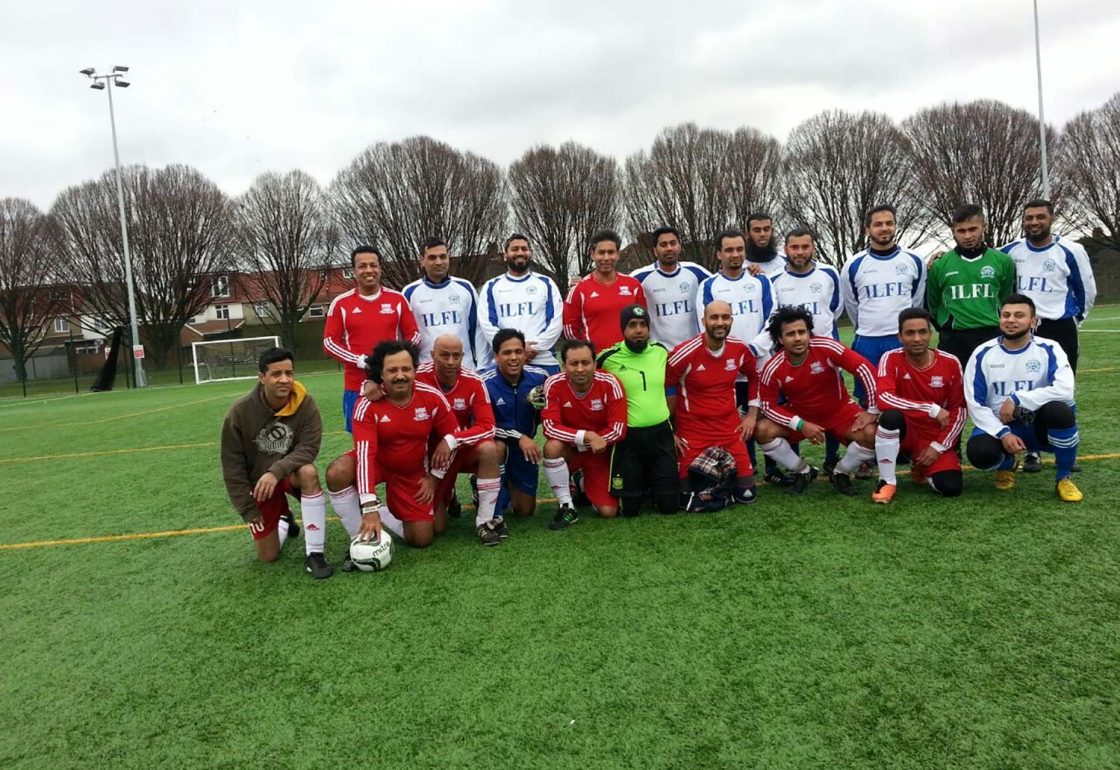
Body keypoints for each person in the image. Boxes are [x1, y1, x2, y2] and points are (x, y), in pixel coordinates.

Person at [328, 340, 461, 550]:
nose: (400, 375)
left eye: (406, 369)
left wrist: (435, 478)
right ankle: (361, 539)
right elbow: (365, 455)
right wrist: (368, 506)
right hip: (378, 464)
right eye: (392, 370)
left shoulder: (432, 398)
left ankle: (385, 513)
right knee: (338, 472)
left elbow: (455, 437)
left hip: (412, 471)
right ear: (380, 373)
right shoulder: (367, 404)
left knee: (422, 539)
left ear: (415, 370)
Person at [999, 199, 1096, 474]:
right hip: (1023, 328)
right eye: (1028, 218)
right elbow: (987, 259)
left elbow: (1086, 289)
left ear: (1051, 218)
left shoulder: (1071, 250)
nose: (1034, 223)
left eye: (1040, 217)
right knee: (1025, 385)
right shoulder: (1011, 251)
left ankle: (1068, 450)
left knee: (1062, 389)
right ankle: (1032, 452)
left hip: (1059, 327)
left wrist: (1075, 320)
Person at [220, 347, 333, 579]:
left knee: (308, 472)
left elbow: (309, 449)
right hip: (259, 486)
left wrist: (276, 471)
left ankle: (315, 554)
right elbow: (233, 468)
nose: (284, 379)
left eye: (289, 373)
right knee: (268, 556)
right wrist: (247, 508)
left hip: (289, 475)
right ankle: (284, 519)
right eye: (276, 374)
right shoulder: (239, 413)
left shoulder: (305, 404)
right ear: (262, 378)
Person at [964, 294, 1083, 502]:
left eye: (1019, 315)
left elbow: (1065, 389)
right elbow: (975, 403)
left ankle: (1063, 476)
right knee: (979, 454)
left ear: (1033, 321)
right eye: (1006, 315)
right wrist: (1003, 434)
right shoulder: (982, 353)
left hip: (1038, 425)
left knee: (1060, 410)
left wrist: (1018, 399)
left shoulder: (1049, 348)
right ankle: (1007, 464)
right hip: (1000, 426)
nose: (1011, 320)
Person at [755, 306, 879, 495]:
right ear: (780, 339)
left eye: (802, 332)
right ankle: (803, 471)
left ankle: (841, 472)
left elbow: (865, 369)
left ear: (809, 333)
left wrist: (872, 410)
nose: (797, 338)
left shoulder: (826, 347)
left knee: (873, 434)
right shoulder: (773, 367)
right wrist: (800, 424)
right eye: (790, 334)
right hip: (802, 415)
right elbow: (767, 406)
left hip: (840, 412)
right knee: (762, 430)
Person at [750, 227, 845, 473]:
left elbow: (836, 309)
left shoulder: (829, 273)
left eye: (805, 246)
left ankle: (831, 457)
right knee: (788, 408)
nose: (800, 252)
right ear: (786, 250)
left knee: (833, 405)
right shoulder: (774, 281)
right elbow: (773, 320)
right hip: (789, 358)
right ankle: (796, 465)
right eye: (795, 247)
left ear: (813, 247)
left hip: (826, 356)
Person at [697, 228, 777, 483]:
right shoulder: (709, 286)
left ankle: (774, 470)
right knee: (735, 419)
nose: (735, 254)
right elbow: (708, 327)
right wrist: (732, 354)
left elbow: (773, 320)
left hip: (759, 363)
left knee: (768, 416)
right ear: (719, 253)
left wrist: (752, 350)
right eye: (729, 250)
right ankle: (746, 466)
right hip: (726, 367)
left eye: (739, 249)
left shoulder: (761, 281)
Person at [666, 300, 761, 508]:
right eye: (714, 317)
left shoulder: (739, 349)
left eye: (725, 317)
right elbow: (664, 387)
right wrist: (669, 430)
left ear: (731, 320)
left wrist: (752, 414)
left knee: (747, 495)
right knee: (685, 499)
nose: (720, 322)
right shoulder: (684, 352)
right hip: (692, 432)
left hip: (729, 430)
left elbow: (755, 377)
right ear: (703, 321)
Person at [415, 335, 504, 545]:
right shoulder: (418, 377)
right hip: (427, 458)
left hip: (458, 450)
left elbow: (488, 426)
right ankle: (448, 494)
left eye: (456, 356)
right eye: (444, 355)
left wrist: (452, 439)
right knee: (435, 527)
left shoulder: (473, 381)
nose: (451, 361)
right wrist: (370, 383)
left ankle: (484, 522)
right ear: (432, 356)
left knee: (491, 449)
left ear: (463, 356)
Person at [872, 308, 966, 504]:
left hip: (933, 435)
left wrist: (938, 447)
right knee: (890, 417)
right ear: (900, 336)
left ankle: (921, 466)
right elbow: (883, 398)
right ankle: (886, 481)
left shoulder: (950, 362)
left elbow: (960, 410)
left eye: (922, 332)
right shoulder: (890, 358)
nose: (917, 338)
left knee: (950, 488)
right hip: (905, 432)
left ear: (930, 334)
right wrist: (930, 408)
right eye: (910, 333)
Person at [323, 245, 420, 432]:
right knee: (362, 445)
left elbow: (414, 335)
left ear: (380, 268)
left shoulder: (397, 299)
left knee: (400, 439)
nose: (369, 270)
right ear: (354, 271)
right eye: (362, 266)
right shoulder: (341, 303)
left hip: (394, 383)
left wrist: (394, 359)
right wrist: (362, 361)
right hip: (356, 386)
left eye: (373, 265)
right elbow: (329, 343)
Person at [596, 304, 679, 516]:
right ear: (623, 329)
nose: (639, 330)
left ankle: (653, 483)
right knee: (630, 510)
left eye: (643, 325)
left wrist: (676, 431)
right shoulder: (607, 358)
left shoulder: (661, 352)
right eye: (632, 325)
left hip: (661, 435)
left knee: (669, 507)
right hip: (629, 438)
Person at [840, 205, 927, 398]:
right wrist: (866, 327)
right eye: (878, 224)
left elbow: (916, 301)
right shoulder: (852, 265)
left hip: (902, 340)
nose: (884, 228)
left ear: (895, 226)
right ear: (867, 230)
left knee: (908, 396)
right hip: (868, 340)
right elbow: (852, 304)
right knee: (869, 398)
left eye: (889, 223)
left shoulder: (914, 260)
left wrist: (908, 332)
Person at [541, 339, 628, 528]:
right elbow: (549, 427)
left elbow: (619, 429)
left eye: (585, 363)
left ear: (595, 364)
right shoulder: (553, 383)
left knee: (608, 512)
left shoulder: (610, 382)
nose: (580, 369)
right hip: (571, 451)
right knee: (552, 447)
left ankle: (580, 483)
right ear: (564, 366)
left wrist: (596, 440)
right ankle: (567, 506)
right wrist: (587, 436)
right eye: (574, 364)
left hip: (599, 452)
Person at [926, 204, 1016, 366]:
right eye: (961, 231)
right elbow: (932, 304)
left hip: (992, 336)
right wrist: (946, 327)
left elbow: (1006, 299)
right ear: (953, 231)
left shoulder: (1003, 261)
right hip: (953, 340)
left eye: (973, 229)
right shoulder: (939, 265)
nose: (967, 236)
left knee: (991, 388)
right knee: (955, 390)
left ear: (984, 227)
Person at [480, 329, 552, 519]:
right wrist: (519, 436)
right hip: (495, 446)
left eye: (518, 352)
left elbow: (548, 414)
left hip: (523, 451)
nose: (513, 357)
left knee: (524, 510)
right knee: (497, 448)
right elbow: (483, 427)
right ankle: (483, 481)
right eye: (506, 353)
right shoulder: (483, 383)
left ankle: (505, 488)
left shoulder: (540, 378)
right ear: (496, 356)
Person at [477, 233, 564, 373]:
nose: (520, 252)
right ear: (505, 255)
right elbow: (487, 324)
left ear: (530, 253)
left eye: (524, 249)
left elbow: (556, 322)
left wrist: (535, 348)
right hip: (505, 361)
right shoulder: (491, 286)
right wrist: (512, 350)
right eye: (515, 249)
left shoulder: (546, 283)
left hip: (542, 360)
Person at [402, 237, 488, 371]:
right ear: (422, 261)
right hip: (426, 371)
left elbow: (477, 329)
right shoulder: (409, 292)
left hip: (464, 368)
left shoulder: (465, 288)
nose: (438, 262)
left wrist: (481, 365)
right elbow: (404, 335)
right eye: (432, 258)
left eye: (443, 257)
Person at [563, 229, 647, 353]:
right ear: (592, 254)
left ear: (618, 254)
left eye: (611, 252)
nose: (606, 258)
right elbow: (569, 329)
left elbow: (644, 322)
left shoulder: (633, 285)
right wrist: (588, 352)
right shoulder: (579, 290)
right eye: (601, 253)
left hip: (630, 359)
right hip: (597, 363)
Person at [630, 226, 711, 349]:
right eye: (663, 244)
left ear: (679, 246)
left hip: (693, 350)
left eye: (673, 243)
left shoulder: (695, 271)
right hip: (659, 353)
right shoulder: (640, 277)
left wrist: (747, 271)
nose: (669, 248)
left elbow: (721, 283)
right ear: (655, 251)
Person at [744, 212, 788, 279]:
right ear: (748, 234)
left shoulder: (785, 261)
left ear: (772, 232)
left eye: (766, 229)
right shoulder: (740, 264)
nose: (762, 234)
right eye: (757, 230)